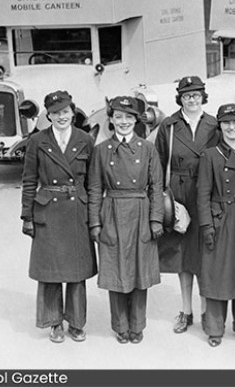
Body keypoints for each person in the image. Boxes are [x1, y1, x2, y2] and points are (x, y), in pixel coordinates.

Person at [21, 90, 97, 343]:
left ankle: (76, 323)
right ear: (48, 116)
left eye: (65, 112)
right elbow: (29, 180)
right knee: (51, 270)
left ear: (72, 113)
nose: (61, 117)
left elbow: (93, 183)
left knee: (76, 271)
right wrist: (27, 216)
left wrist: (94, 216)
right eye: (55, 113)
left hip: (77, 210)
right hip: (48, 210)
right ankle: (54, 322)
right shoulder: (37, 141)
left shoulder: (85, 139)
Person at [88, 96, 164, 344]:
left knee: (140, 272)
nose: (123, 122)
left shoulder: (147, 148)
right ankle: (121, 327)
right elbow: (95, 189)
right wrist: (96, 223)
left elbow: (156, 186)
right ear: (110, 119)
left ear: (136, 120)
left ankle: (137, 326)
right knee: (116, 271)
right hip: (112, 213)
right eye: (118, 117)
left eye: (128, 117)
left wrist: (156, 219)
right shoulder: (101, 151)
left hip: (141, 213)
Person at [155, 76, 219, 333]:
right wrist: (161, 197)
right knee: (182, 255)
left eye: (195, 95)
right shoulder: (168, 126)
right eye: (186, 95)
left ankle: (205, 312)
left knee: (204, 253)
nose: (191, 100)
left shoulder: (215, 124)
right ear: (179, 98)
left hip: (206, 193)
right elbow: (158, 163)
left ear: (203, 96)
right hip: (178, 194)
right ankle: (186, 311)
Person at [197, 103, 235, 347]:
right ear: (220, 126)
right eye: (226, 123)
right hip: (219, 218)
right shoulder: (210, 155)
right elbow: (202, 194)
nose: (231, 127)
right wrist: (206, 226)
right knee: (216, 274)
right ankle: (214, 328)